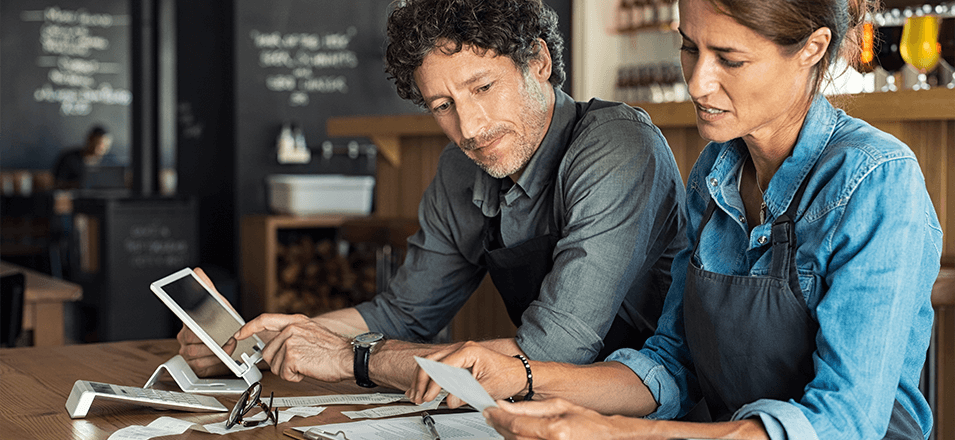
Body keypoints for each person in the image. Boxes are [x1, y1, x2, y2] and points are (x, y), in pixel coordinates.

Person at [410, 0, 942, 438]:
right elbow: (671, 364)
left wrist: (623, 432)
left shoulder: (876, 179)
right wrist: (520, 375)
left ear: (811, 49)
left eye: (729, 59)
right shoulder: (716, 170)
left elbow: (845, 422)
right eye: (689, 48)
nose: (697, 82)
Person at [179, 0, 687, 392]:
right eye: (442, 105)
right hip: (542, 412)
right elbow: (403, 313)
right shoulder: (460, 168)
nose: (469, 128)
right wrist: (263, 339)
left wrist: (353, 359)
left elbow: (554, 352)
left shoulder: (619, 146)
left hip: (655, 414)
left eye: (483, 87)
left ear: (538, 61)